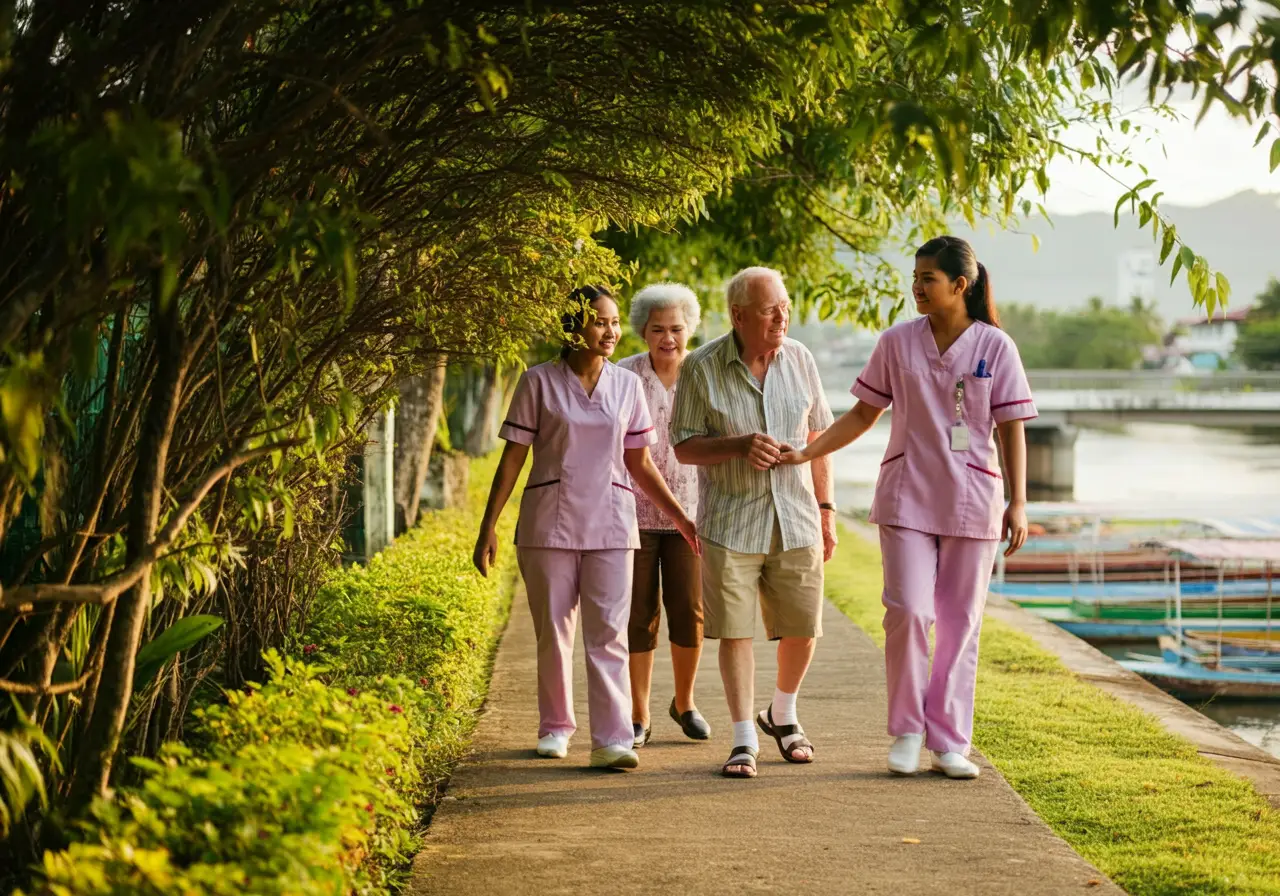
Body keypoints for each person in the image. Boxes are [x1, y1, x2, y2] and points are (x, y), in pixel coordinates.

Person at [778, 235, 1034, 779]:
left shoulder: (996, 347)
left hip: (974, 498)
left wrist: (1018, 501)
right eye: (914, 278)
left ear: (959, 285)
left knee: (961, 624)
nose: (916, 288)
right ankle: (908, 732)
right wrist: (806, 451)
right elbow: (861, 415)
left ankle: (948, 742)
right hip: (907, 497)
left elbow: (1012, 427)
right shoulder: (897, 342)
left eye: (928, 279)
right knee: (909, 613)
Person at [473, 285, 700, 771]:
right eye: (601, 321)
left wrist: (681, 516)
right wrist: (488, 526)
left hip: (613, 524)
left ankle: (613, 739)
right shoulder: (538, 383)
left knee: (609, 634)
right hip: (547, 525)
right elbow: (513, 458)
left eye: (615, 323)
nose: (612, 331)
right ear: (574, 326)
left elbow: (639, 463)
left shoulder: (627, 386)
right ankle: (555, 728)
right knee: (553, 633)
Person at [670, 267, 836, 779]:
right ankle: (744, 739)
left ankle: (781, 714)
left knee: (803, 628)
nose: (782, 316)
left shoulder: (801, 358)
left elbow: (820, 438)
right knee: (735, 632)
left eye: (785, 305)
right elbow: (683, 445)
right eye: (770, 309)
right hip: (730, 522)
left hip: (798, 517)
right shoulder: (700, 367)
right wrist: (738, 446)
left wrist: (827, 511)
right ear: (739, 316)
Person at [617, 283, 709, 747]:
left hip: (693, 515)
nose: (668, 338)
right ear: (642, 332)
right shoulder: (623, 375)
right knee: (637, 615)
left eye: (676, 328)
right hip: (631, 515)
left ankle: (685, 702)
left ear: (689, 329)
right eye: (658, 329)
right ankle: (638, 714)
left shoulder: (705, 373)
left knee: (689, 613)